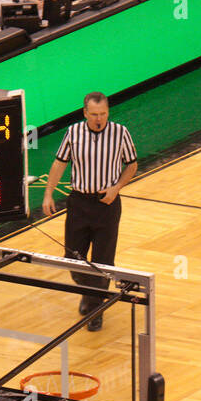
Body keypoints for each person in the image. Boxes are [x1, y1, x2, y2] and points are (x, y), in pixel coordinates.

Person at [41, 92, 137, 331]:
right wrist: (48, 194)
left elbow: (132, 164)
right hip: (79, 204)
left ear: (108, 112)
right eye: (94, 114)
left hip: (107, 204)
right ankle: (89, 292)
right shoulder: (73, 133)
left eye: (103, 113)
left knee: (103, 262)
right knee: (73, 259)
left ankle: (95, 309)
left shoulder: (120, 132)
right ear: (85, 113)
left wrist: (117, 187)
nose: (99, 119)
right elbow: (59, 163)